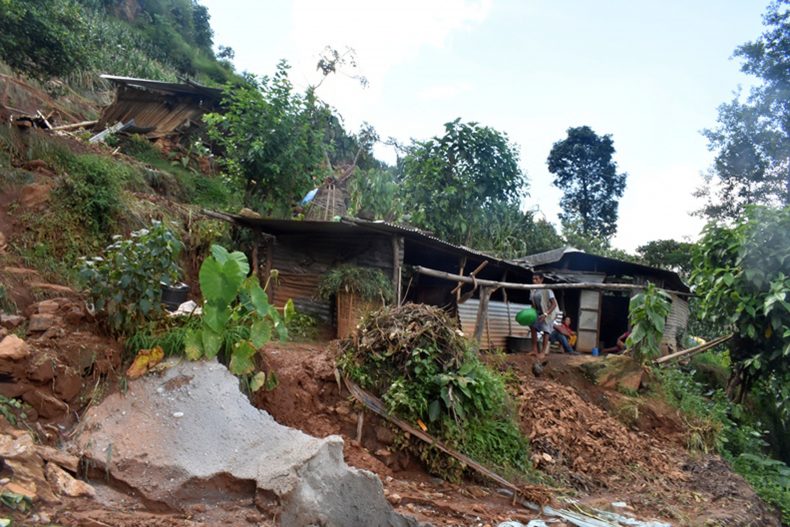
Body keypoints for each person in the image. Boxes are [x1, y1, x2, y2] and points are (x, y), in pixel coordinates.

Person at [529, 272, 558, 358]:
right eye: (533, 279)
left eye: (537, 279)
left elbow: (554, 304)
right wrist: (531, 313)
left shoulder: (547, 290)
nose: (534, 281)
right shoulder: (532, 290)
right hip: (538, 311)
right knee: (532, 326)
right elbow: (533, 304)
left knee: (546, 330)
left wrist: (546, 314)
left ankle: (543, 352)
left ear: (541, 280)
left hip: (549, 312)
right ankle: (534, 350)